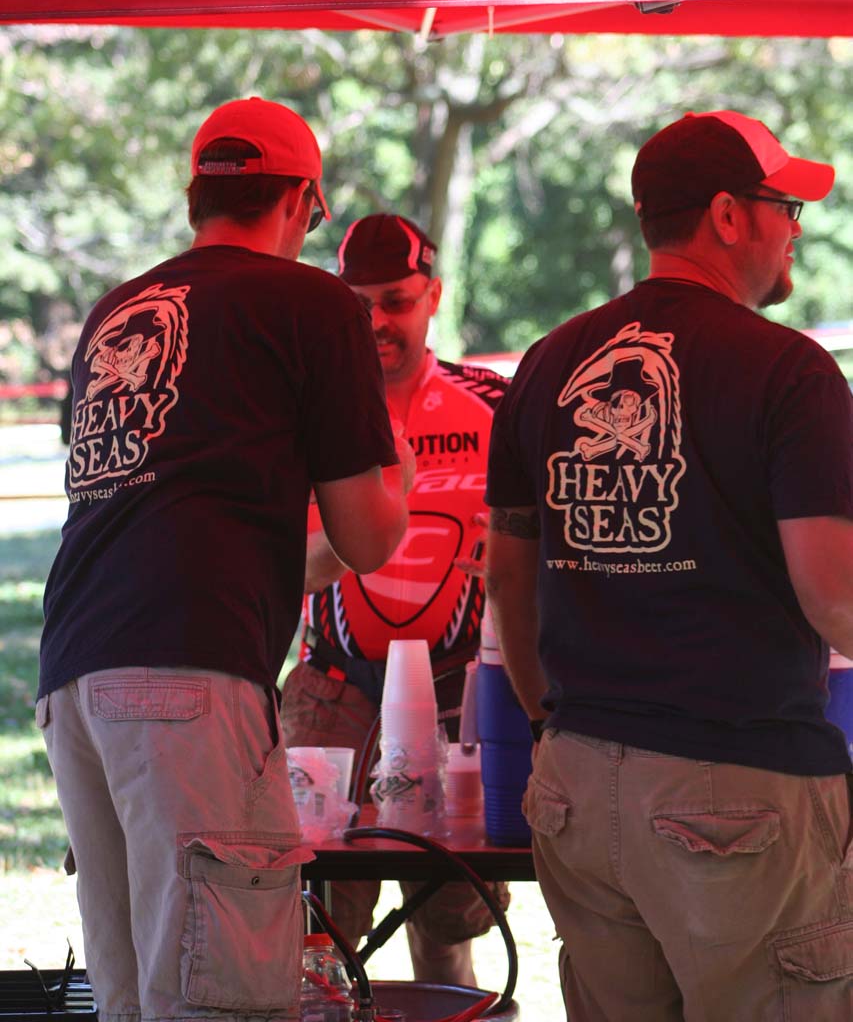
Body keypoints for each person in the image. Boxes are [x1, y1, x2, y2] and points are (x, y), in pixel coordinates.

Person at [37, 98, 412, 1022]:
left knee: (134, 993)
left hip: (75, 675)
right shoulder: (308, 301)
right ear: (302, 204)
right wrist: (397, 464)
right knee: (223, 990)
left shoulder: (116, 311)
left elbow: (177, 520)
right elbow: (368, 539)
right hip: (189, 677)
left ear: (196, 196)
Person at [484, 110, 853, 1022]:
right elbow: (835, 596)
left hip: (573, 783)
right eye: (783, 207)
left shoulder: (547, 363)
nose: (793, 230)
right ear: (728, 217)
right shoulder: (790, 371)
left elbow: (507, 583)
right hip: (735, 790)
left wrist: (549, 724)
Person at [281, 213, 511, 986]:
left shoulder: (492, 403)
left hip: (455, 687)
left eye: (397, 301)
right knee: (313, 934)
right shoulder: (300, 409)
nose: (377, 321)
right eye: (359, 303)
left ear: (434, 295)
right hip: (334, 685)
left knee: (447, 923)